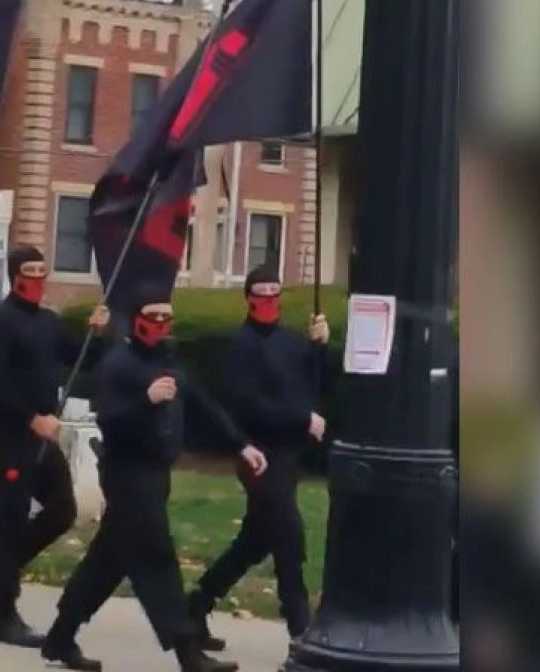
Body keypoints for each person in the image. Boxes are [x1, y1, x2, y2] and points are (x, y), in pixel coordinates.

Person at [41, 287, 269, 672]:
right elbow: (109, 420)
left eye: (167, 317)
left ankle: (60, 637)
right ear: (136, 320)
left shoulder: (169, 362)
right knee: (157, 557)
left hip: (156, 473)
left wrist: (242, 445)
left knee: (109, 559)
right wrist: (145, 400)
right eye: (153, 317)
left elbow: (203, 405)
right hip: (127, 474)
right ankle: (186, 650)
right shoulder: (118, 365)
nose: (161, 324)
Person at [0, 246, 110, 647]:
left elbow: (80, 359)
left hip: (41, 436)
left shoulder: (49, 322)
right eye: (30, 271)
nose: (38, 278)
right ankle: (3, 616)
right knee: (11, 520)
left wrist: (98, 334)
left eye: (43, 271)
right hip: (7, 436)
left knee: (62, 510)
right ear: (15, 276)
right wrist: (30, 417)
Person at [187, 265, 330, 647]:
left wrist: (319, 349)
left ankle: (197, 604)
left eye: (274, 294)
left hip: (288, 452)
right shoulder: (240, 346)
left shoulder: (292, 342)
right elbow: (249, 405)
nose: (268, 301)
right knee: (289, 535)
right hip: (257, 453)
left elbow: (310, 387)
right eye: (260, 294)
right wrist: (302, 419)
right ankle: (300, 628)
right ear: (248, 298)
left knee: (256, 540)